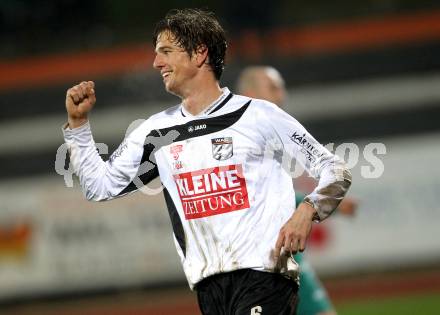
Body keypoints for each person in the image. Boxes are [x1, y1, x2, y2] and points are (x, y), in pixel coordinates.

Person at [62, 9, 352, 315]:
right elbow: (99, 186)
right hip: (209, 289)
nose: (156, 63)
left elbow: (335, 169)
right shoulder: (155, 132)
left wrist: (307, 210)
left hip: (265, 277)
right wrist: (78, 126)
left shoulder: (259, 115)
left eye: (166, 52)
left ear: (200, 53)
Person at [237, 65, 358, 315]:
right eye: (273, 87)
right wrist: (313, 201)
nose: (281, 95)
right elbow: (252, 197)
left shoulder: (269, 131)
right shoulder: (240, 136)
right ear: (250, 93)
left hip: (277, 251)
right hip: (260, 256)